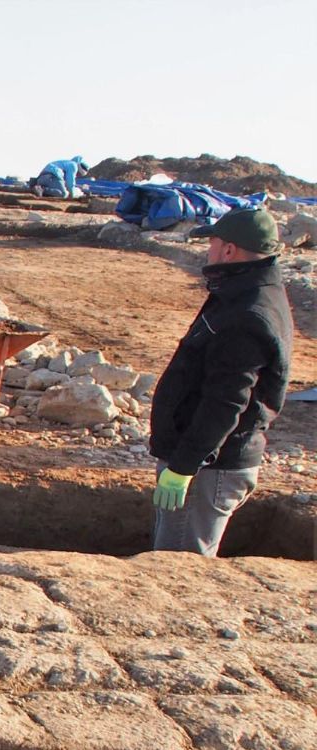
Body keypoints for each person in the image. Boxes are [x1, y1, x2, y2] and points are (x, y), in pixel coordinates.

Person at [148, 207, 291, 556]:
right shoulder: (244, 292)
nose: (207, 250)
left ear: (229, 250)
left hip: (208, 471)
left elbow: (226, 403)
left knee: (179, 569)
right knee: (172, 559)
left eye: (211, 243)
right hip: (205, 464)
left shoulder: (247, 314)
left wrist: (184, 467)